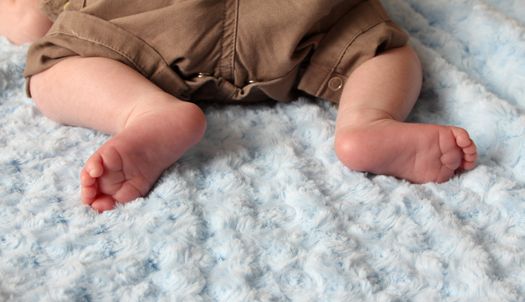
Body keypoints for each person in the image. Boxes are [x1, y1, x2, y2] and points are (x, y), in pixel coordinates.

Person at [0, 0, 477, 212]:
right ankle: (367, 122)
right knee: (381, 50)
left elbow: (26, 22)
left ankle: (145, 111)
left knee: (53, 65)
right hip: (293, 15)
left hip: (146, 15)